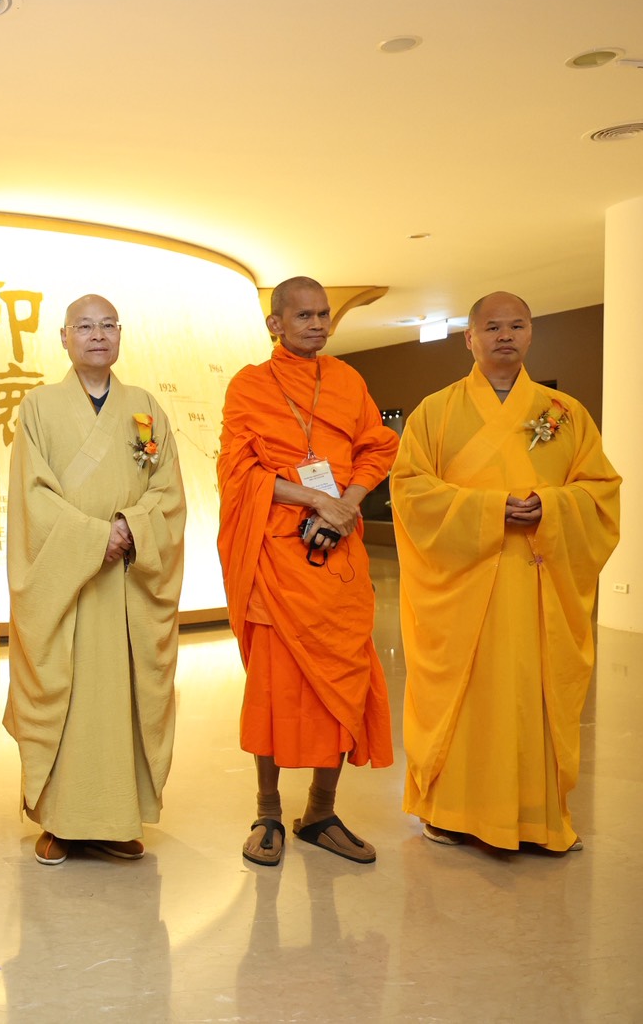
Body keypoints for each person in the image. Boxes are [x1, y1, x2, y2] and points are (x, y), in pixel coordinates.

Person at [393, 291, 620, 852]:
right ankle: (450, 812)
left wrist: (552, 507)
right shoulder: (435, 412)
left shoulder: (565, 414)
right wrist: (489, 510)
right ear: (469, 338)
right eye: (492, 327)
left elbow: (600, 490)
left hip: (537, 583)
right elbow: (410, 491)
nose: (505, 336)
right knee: (468, 698)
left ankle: (536, 818)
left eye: (517, 325)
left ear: (530, 334)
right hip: (465, 587)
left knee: (531, 699)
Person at [216, 276, 397, 867]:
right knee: (272, 691)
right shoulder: (249, 385)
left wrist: (347, 502)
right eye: (304, 316)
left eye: (323, 315)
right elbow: (239, 472)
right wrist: (316, 498)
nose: (318, 324)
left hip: (337, 552)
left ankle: (321, 811)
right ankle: (267, 812)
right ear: (275, 324)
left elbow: (378, 447)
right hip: (276, 555)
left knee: (343, 680)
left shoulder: (346, 380)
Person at [4, 295, 186, 865]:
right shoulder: (38, 406)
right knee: (66, 691)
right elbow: (31, 494)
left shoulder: (145, 406)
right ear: (64, 338)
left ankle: (116, 816)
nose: (97, 335)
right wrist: (91, 538)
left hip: (128, 579)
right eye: (84, 326)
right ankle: (59, 821)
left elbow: (169, 488)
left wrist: (130, 528)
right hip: (68, 582)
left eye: (108, 325)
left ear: (120, 334)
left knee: (122, 698)